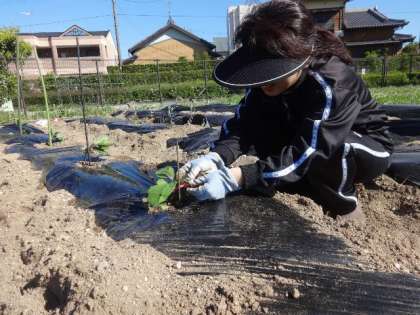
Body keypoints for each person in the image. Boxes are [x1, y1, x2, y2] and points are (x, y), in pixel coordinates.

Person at [178, 0, 393, 221]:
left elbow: (315, 147)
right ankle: (303, 183)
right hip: (307, 138)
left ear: (299, 58)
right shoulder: (263, 85)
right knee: (266, 128)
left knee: (336, 147)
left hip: (364, 146)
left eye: (273, 71)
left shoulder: (331, 83)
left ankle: (346, 207)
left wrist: (240, 176)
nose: (264, 84)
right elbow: (243, 125)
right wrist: (217, 157)